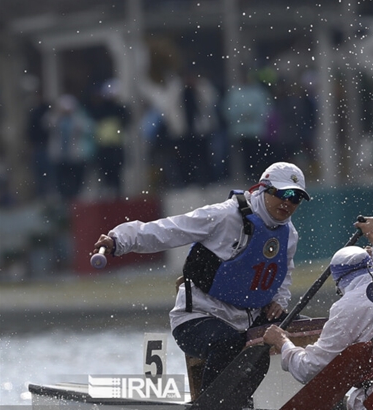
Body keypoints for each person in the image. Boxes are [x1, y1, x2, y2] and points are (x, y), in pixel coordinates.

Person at [92, 162, 309, 396]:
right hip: (198, 318)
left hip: (250, 317)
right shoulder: (225, 215)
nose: (288, 203)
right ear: (263, 188)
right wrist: (119, 240)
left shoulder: (290, 234)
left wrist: (280, 301)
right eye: (284, 193)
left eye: (296, 198)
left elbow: (283, 273)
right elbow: (169, 229)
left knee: (305, 331)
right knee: (229, 344)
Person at [257, 216, 373, 410]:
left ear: (340, 282)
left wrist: (282, 342)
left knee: (345, 398)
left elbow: (308, 369)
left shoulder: (345, 308)